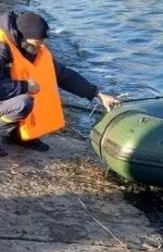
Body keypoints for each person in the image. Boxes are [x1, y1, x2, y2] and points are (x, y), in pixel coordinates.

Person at [0, 11, 120, 157]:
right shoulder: (2, 48)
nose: (40, 48)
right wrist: (24, 86)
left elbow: (64, 75)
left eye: (42, 43)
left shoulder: (33, 49)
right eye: (36, 44)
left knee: (28, 98)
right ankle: (6, 130)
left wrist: (97, 94)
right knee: (22, 102)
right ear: (22, 37)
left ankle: (17, 135)